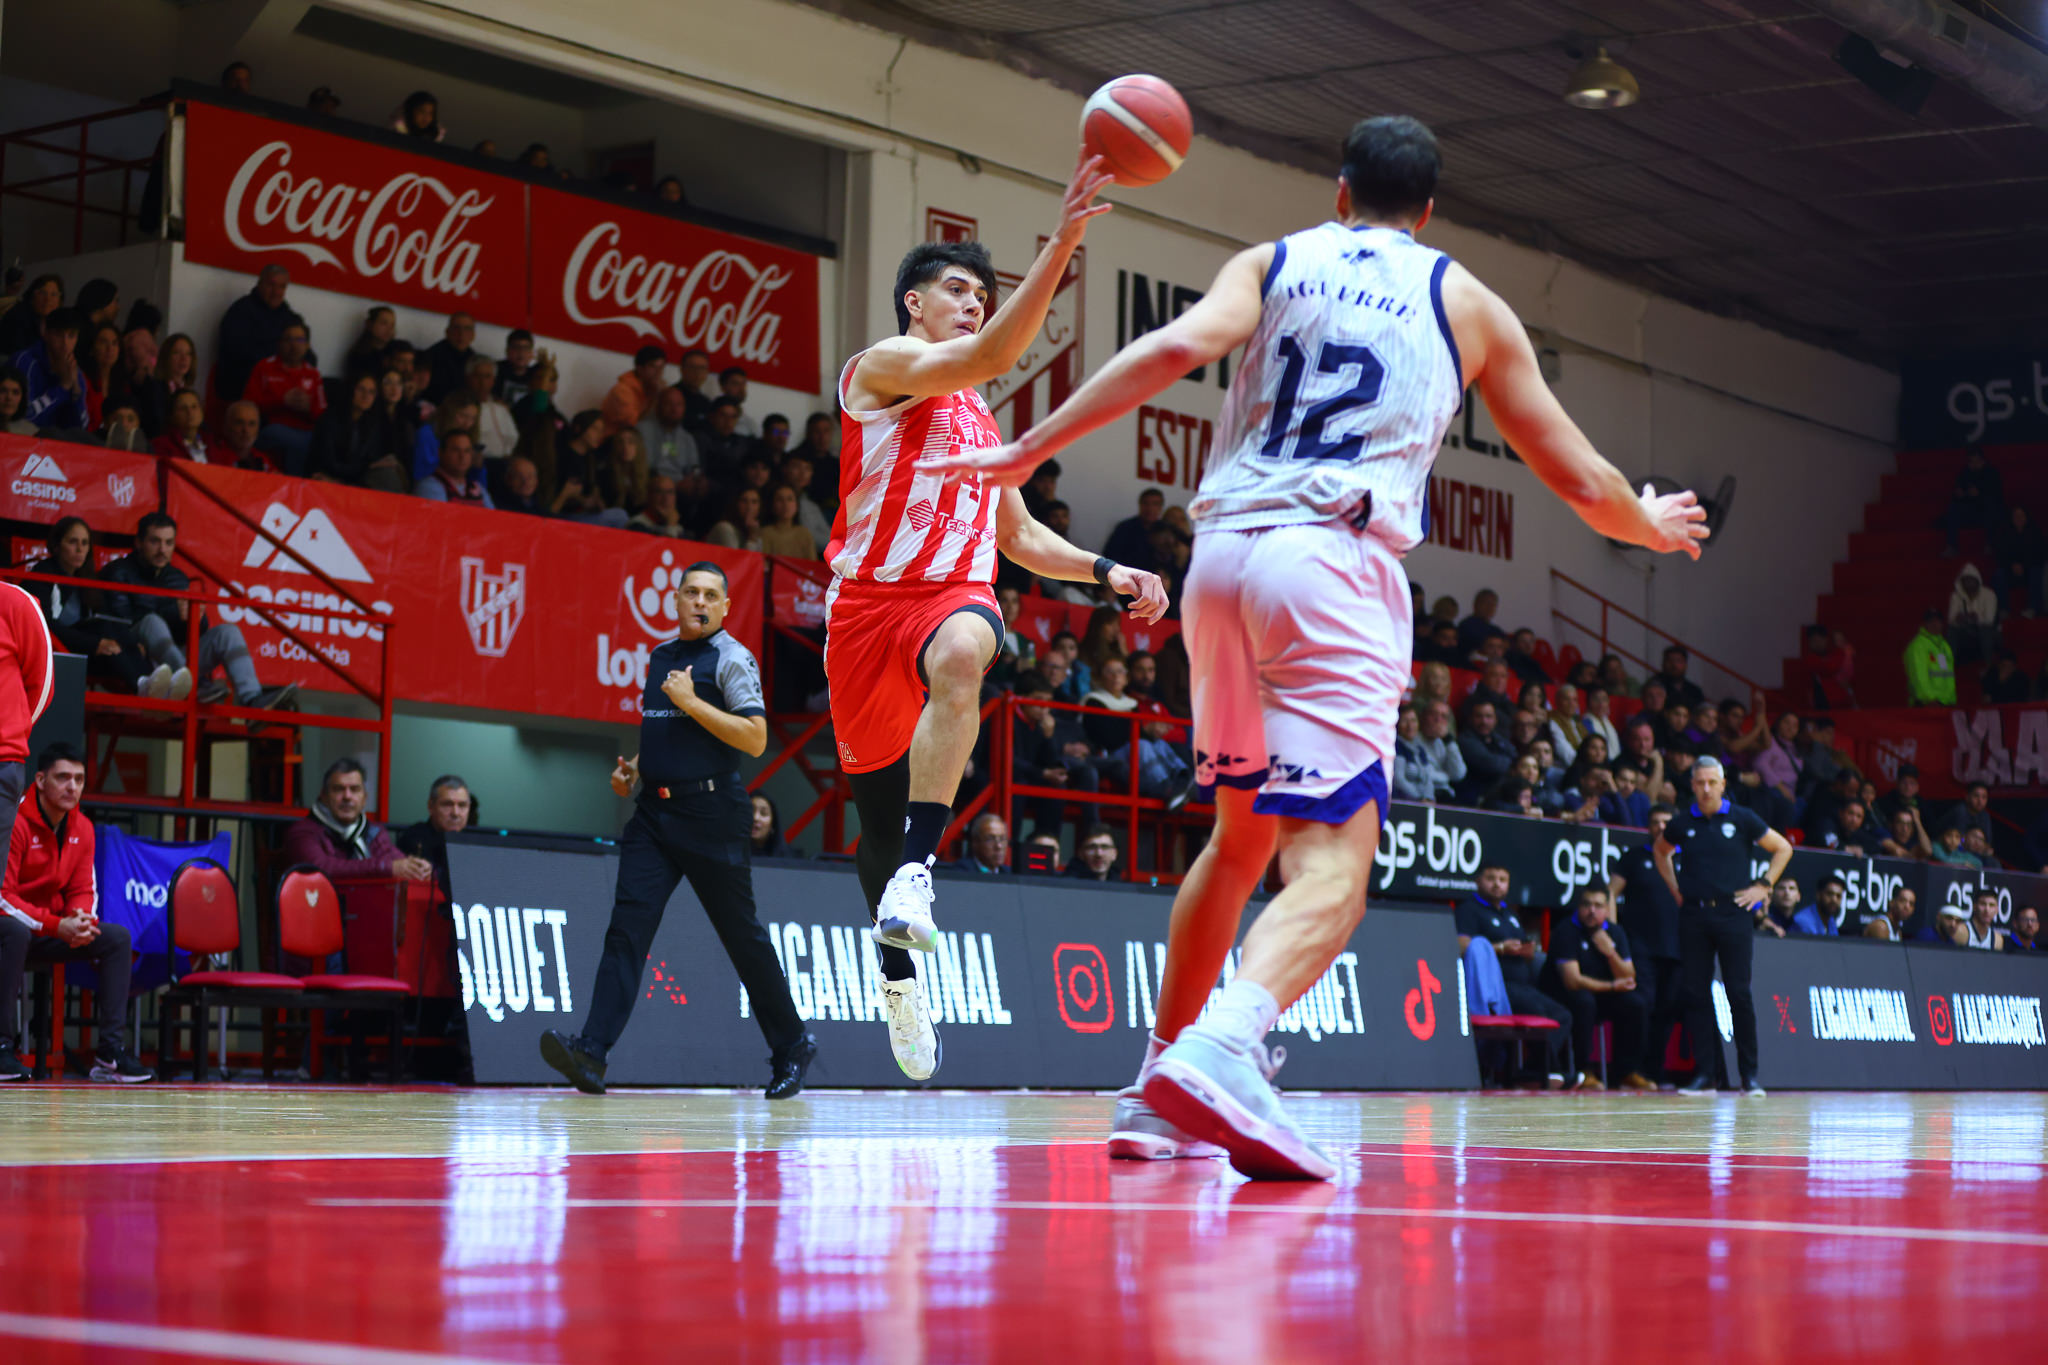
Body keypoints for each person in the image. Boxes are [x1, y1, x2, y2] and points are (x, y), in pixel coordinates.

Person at [922, 115, 1705, 1176]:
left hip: (1220, 559)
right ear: (1427, 210)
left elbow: (1172, 349)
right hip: (1331, 564)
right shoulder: (1465, 301)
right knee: (1335, 861)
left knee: (1239, 840)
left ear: (1339, 192)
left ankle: (1152, 1090)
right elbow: (1576, 476)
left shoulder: (1275, 260)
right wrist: (1645, 522)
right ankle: (1222, 1045)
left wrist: (1029, 444)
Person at [819, 160, 1162, 1088]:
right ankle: (897, 979)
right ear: (913, 303)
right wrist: (1064, 243)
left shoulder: (980, 417)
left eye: (982, 294)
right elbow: (985, 358)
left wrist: (1107, 570)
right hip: (866, 609)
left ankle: (920, 873)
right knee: (873, 822)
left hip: (949, 600)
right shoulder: (881, 368)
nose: (973, 303)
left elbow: (1017, 536)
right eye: (958, 290)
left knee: (971, 646)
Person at [540, 563, 816, 1099]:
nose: (700, 602)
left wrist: (692, 701)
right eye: (691, 592)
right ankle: (591, 1054)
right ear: (676, 599)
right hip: (654, 815)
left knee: (742, 937)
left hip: (713, 815)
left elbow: (756, 738)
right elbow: (668, 733)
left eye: (711, 595)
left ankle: (792, 1044)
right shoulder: (661, 656)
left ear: (725, 606)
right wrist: (635, 770)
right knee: (626, 930)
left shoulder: (732, 658)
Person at [0, 745, 152, 1082]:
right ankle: (2, 1047)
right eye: (63, 778)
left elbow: (83, 888)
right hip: (11, 928)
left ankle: (110, 1053)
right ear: (41, 780)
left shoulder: (82, 827)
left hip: (50, 929)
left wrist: (80, 920)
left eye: (79, 779)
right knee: (14, 931)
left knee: (116, 938)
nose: (72, 787)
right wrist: (57, 925)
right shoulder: (13, 820)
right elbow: (3, 897)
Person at [1655, 757, 1792, 1097]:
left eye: (1711, 782)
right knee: (1696, 993)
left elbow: (1783, 848)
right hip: (1694, 915)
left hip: (1734, 914)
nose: (1705, 789)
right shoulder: (1683, 822)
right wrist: (1675, 889)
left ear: (1722, 784)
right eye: (1700, 783)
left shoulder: (1742, 818)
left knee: (1738, 992)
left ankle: (1749, 1076)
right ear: (1692, 785)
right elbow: (1661, 851)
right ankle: (1705, 1075)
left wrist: (1764, 885)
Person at [100, 512, 291, 709]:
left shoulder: (177, 577)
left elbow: (194, 633)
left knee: (228, 632)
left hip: (173, 659)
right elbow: (118, 623)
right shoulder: (118, 572)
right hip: (135, 657)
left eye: (169, 543)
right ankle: (194, 685)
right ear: (139, 543)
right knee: (151, 622)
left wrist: (193, 620)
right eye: (155, 541)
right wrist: (167, 616)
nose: (162, 550)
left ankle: (252, 699)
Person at [1457, 864, 1575, 1086]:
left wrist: (1527, 953)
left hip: (1524, 985)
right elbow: (1462, 946)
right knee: (1537, 1011)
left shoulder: (1510, 914)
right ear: (1478, 881)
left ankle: (1530, 1072)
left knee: (1563, 1015)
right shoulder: (1469, 909)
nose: (1497, 884)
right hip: (1497, 988)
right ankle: (1552, 1073)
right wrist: (1501, 948)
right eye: (1491, 878)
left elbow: (1521, 947)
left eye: (1502, 879)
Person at [1543, 885, 1652, 1091]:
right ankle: (1584, 1071)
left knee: (1635, 1003)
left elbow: (1628, 977)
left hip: (1602, 994)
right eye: (1587, 905)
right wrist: (1612, 986)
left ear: (1608, 910)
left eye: (1598, 905)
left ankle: (1626, 1072)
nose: (1592, 911)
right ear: (1578, 907)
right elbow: (1572, 981)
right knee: (1584, 1002)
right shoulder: (1566, 930)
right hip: (1564, 995)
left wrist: (1610, 953)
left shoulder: (1615, 932)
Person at [35, 517, 156, 695]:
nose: (79, 549)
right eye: (73, 542)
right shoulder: (42, 574)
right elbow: (45, 625)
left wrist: (132, 644)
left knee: (112, 629)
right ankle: (142, 684)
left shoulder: (87, 577)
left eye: (85, 543)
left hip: (83, 650)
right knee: (102, 630)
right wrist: (95, 643)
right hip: (54, 649)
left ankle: (151, 682)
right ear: (56, 545)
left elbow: (105, 616)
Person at [1608, 804, 1681, 1084]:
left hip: (1678, 948)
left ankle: (1653, 1073)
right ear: (1648, 827)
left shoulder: (1687, 859)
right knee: (1641, 1007)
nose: (1661, 827)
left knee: (1667, 1011)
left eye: (1666, 822)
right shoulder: (1634, 857)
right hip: (1640, 947)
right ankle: (1628, 1070)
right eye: (1655, 822)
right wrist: (1614, 933)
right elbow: (1611, 893)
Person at [284, 758, 433, 885]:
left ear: (364, 799)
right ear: (324, 796)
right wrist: (385, 867)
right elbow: (322, 869)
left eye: (354, 789)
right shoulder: (303, 831)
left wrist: (419, 868)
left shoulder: (374, 831)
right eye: (338, 789)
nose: (347, 797)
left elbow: (396, 861)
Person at [242, 319, 325, 474]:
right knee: (289, 438)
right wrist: (282, 401)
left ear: (307, 345)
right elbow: (247, 405)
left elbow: (322, 415)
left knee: (316, 440)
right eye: (288, 339)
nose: (294, 345)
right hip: (271, 428)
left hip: (306, 431)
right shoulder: (264, 367)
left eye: (299, 340)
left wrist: (309, 408)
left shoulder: (313, 374)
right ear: (279, 343)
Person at [214, 265, 298, 406]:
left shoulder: (290, 318)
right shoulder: (240, 312)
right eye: (271, 285)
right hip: (243, 393)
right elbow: (238, 355)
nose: (276, 292)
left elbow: (307, 354)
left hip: (280, 394)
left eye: (282, 287)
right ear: (260, 284)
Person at [17, 307, 90, 431]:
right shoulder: (25, 362)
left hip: (58, 439)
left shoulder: (75, 371)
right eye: (59, 335)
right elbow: (24, 416)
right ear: (46, 334)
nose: (65, 343)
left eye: (71, 336)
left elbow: (82, 427)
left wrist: (76, 391)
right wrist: (63, 387)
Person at [1938, 446, 2001, 555]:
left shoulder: (1991, 473)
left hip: (1986, 511)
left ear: (1982, 460)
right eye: (1971, 461)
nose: (1974, 464)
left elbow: (1996, 495)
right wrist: (1960, 493)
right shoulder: (1965, 473)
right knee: (1953, 508)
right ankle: (1952, 546)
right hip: (1970, 510)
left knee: (1990, 507)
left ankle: (1989, 545)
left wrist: (1980, 494)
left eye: (1977, 461)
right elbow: (1958, 490)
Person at [1453, 701, 1514, 804]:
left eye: (1488, 716)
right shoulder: (1465, 740)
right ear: (1471, 718)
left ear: (1495, 720)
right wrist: (1510, 764)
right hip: (1472, 799)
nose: (1484, 721)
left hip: (1498, 796)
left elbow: (1514, 755)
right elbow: (1491, 764)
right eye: (1479, 716)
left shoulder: (1499, 739)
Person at [414, 431, 492, 507]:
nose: (462, 456)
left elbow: (493, 515)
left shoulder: (477, 488)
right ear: (440, 453)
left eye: (467, 451)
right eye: (456, 450)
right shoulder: (430, 486)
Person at [604, 345, 669, 430]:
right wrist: (655, 397)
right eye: (653, 367)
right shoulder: (622, 391)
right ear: (640, 369)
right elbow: (633, 425)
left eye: (661, 367)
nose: (658, 372)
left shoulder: (652, 389)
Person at [1947, 564, 2000, 665]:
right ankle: (1948, 666)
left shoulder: (1989, 594)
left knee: (1985, 630)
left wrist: (1976, 617)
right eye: (1966, 580)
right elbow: (1950, 620)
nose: (1968, 583)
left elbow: (1990, 620)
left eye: (1971, 580)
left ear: (1977, 580)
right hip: (1966, 633)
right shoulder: (1955, 596)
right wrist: (1957, 619)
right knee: (1952, 631)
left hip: (1989, 633)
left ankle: (1988, 665)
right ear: (1961, 582)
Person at [760, 484, 818, 559]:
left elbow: (812, 563)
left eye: (790, 499)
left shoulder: (804, 533)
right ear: (772, 505)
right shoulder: (765, 533)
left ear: (797, 505)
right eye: (780, 499)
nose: (785, 504)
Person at [749, 794, 793, 859]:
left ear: (772, 824)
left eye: (763, 813)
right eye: (750, 811)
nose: (755, 818)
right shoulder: (733, 854)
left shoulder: (789, 858)